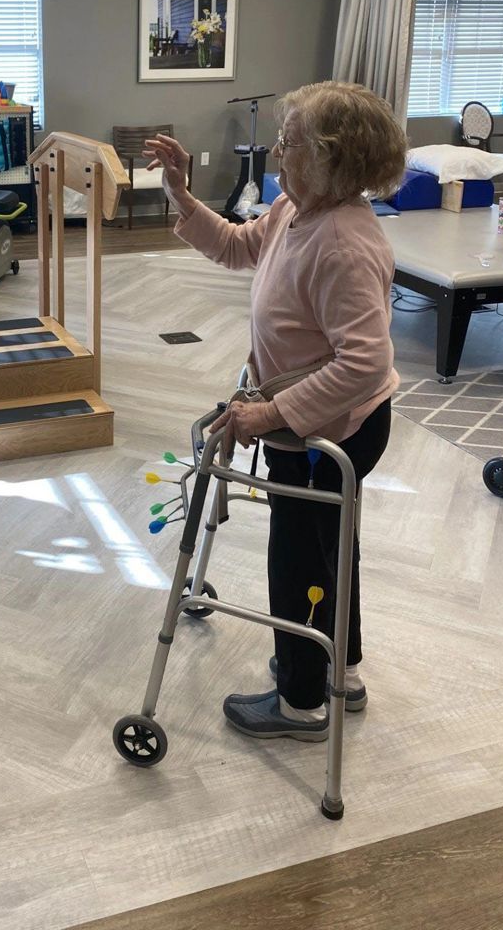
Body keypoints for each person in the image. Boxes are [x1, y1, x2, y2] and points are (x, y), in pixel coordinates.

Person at [144, 81, 407, 742]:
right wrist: (180, 192)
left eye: (290, 142)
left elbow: (366, 363)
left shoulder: (343, 244)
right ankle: (337, 670)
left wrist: (272, 413)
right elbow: (236, 247)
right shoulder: (295, 209)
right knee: (328, 543)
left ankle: (299, 700)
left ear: (332, 161)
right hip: (309, 419)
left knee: (299, 556)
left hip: (332, 429)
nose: (277, 150)